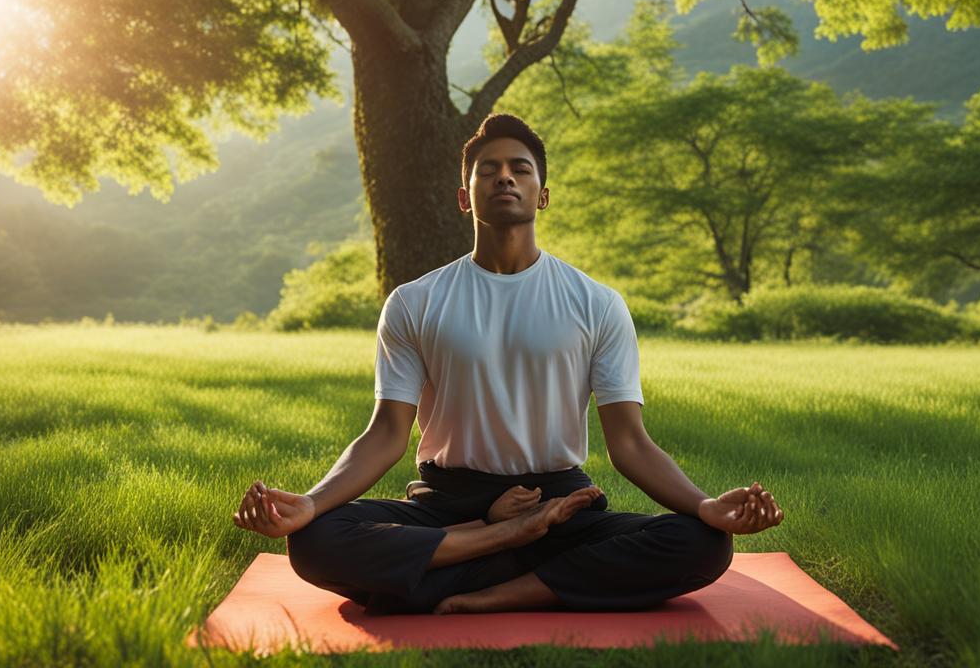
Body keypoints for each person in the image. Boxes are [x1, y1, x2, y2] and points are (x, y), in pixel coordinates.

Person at [233, 113, 783, 615]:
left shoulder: (597, 303)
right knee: (314, 541)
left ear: (541, 195)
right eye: (489, 170)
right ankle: (509, 551)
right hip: (451, 508)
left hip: (560, 505)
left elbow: (630, 444)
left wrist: (706, 505)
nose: (505, 178)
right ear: (464, 197)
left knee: (703, 543)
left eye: (520, 169)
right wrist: (310, 502)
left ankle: (491, 592)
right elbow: (384, 434)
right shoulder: (414, 302)